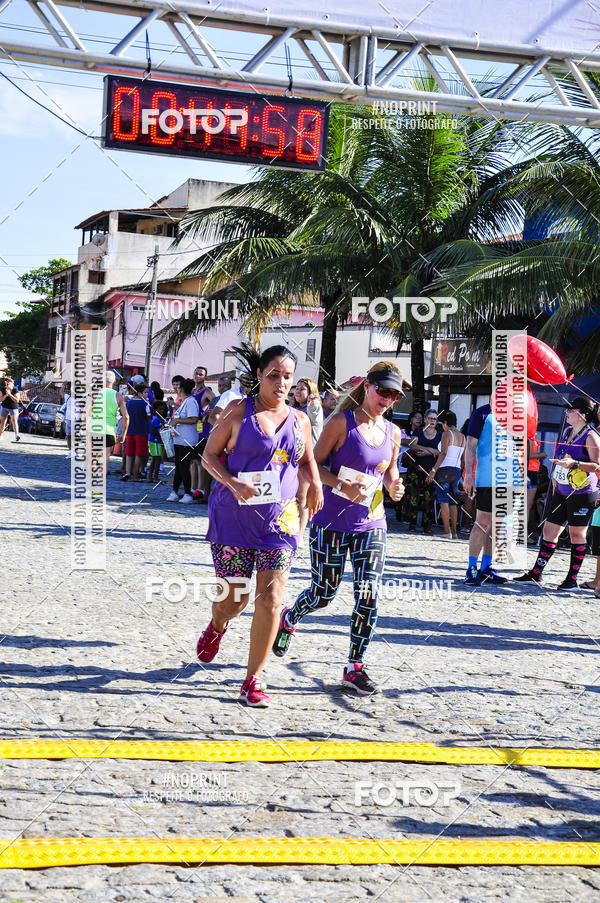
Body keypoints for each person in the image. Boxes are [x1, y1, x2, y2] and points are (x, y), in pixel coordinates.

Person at [198, 345, 322, 708]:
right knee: (234, 599)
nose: (281, 383)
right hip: (234, 517)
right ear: (259, 376)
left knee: (271, 597)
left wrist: (314, 484)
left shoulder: (299, 420)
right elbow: (208, 456)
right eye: (274, 375)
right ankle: (218, 625)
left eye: (287, 377)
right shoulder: (239, 411)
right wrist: (233, 482)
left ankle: (253, 679)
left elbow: (308, 459)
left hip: (278, 521)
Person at [272, 361, 405, 696]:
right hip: (331, 521)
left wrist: (395, 487)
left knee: (368, 594)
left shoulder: (393, 433)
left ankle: (354, 666)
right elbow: (308, 467)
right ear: (367, 388)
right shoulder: (341, 424)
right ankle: (289, 616)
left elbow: (389, 473)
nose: (387, 399)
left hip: (371, 523)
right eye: (383, 391)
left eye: (394, 395)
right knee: (324, 594)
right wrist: (340, 486)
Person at [515, 397, 600, 590]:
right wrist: (555, 476)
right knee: (549, 531)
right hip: (561, 489)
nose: (566, 413)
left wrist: (575, 464)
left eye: (570, 410)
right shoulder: (568, 431)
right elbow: (562, 457)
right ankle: (536, 573)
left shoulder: (591, 436)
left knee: (577, 534)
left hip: (583, 492)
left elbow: (598, 466)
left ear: (582, 414)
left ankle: (571, 579)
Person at [463, 401, 522, 586]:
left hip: (509, 479)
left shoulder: (517, 415)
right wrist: (468, 476)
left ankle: (486, 568)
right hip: (487, 477)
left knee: (497, 524)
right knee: (482, 522)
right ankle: (471, 569)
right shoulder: (482, 413)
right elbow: (470, 445)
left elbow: (519, 448)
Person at [291, 378, 324, 547]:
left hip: (305, 459)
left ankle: (299, 535)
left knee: (302, 498)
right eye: (297, 388)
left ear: (311, 392)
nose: (298, 391)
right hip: (290, 458)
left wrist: (314, 404)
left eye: (302, 389)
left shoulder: (311, 408)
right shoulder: (293, 409)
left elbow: (316, 414)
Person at [426, 411, 465, 539]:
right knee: (453, 501)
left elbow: (443, 453)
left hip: (445, 470)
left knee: (443, 500)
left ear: (445, 423)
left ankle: (446, 531)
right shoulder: (462, 437)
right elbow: (464, 458)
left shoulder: (447, 434)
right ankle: (454, 532)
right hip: (457, 469)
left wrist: (433, 470)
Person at [404, 408, 440, 534]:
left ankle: (427, 525)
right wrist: (430, 450)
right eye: (430, 418)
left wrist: (428, 452)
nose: (432, 421)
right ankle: (412, 523)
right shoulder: (418, 431)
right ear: (425, 419)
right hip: (415, 468)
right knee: (412, 496)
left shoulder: (440, 434)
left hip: (431, 470)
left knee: (429, 498)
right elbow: (412, 445)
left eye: (435, 419)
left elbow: (442, 452)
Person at [88, 370, 129, 479]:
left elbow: (85, 412)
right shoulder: (118, 396)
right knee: (105, 457)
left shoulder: (94, 394)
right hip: (109, 430)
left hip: (95, 428)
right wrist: (123, 433)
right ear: (114, 381)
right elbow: (126, 417)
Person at [167, 378, 199, 504]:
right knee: (179, 467)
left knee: (184, 467)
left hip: (187, 440)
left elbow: (194, 419)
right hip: (179, 439)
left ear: (181, 389)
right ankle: (174, 491)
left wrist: (178, 421)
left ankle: (187, 493)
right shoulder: (185, 402)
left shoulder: (191, 402)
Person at [190, 366, 215, 502]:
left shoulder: (207, 392)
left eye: (201, 374)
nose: (198, 376)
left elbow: (216, 404)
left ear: (205, 377)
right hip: (191, 430)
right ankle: (192, 489)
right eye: (196, 373)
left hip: (203, 431)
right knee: (192, 461)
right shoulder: (192, 391)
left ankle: (201, 490)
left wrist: (207, 414)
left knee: (200, 462)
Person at [122, 375, 149, 482]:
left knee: (129, 453)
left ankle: (128, 472)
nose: (147, 394)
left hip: (130, 431)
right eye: (145, 392)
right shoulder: (145, 404)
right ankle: (135, 474)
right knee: (139, 454)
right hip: (141, 431)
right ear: (140, 393)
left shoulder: (129, 403)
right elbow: (147, 417)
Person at [526, 434, 547, 540]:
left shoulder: (531, 437)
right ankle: (522, 534)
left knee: (531, 506)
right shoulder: (527, 436)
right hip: (528, 471)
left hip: (532, 471)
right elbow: (526, 455)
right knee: (526, 506)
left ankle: (531, 532)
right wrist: (541, 454)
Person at [147, 400, 167, 483]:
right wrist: (162, 434)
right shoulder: (156, 419)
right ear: (155, 410)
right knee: (157, 459)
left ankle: (151, 476)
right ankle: (154, 477)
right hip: (154, 441)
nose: (162, 411)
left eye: (163, 409)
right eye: (160, 409)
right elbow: (154, 430)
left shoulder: (160, 419)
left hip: (157, 441)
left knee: (156, 459)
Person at [0, 377, 20, 442]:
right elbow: (0, 399)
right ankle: (0, 435)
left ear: (12, 384)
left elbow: (17, 400)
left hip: (13, 407)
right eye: (6, 383)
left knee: (14, 421)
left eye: (8, 383)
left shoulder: (15, 390)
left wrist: (10, 394)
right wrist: (6, 395)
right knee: (3, 421)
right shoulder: (2, 389)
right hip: (4, 406)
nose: (7, 385)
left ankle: (17, 435)